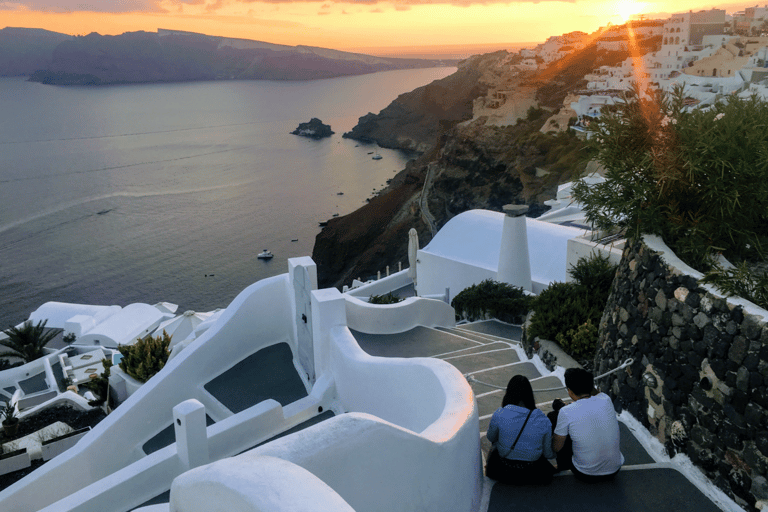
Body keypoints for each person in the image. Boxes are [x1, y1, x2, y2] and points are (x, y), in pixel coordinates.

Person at [552, 368, 624, 482]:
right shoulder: (606, 399)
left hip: (584, 473)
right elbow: (594, 393)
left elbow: (557, 447)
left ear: (569, 391)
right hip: (614, 470)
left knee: (556, 421)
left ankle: (562, 466)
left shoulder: (566, 412)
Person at [485, 375, 556, 485]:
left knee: (495, 443)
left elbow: (491, 437)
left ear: (509, 393)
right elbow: (548, 453)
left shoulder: (500, 413)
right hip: (533, 471)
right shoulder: (542, 419)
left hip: (503, 469)